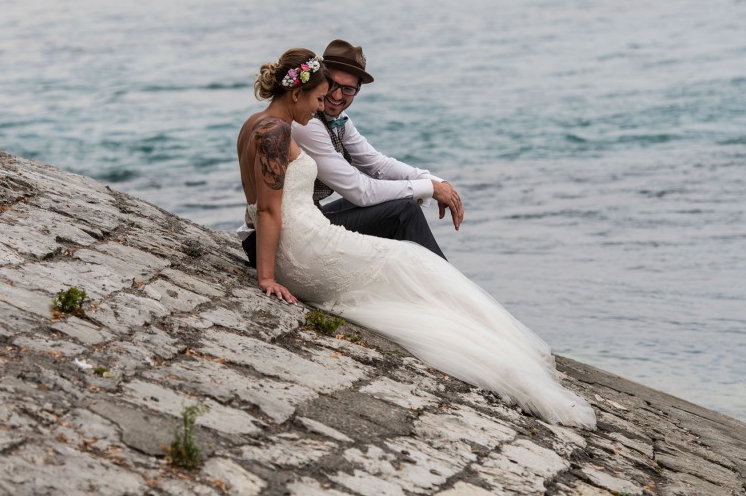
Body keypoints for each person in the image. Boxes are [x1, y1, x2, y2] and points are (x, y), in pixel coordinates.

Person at [236, 48, 596, 429]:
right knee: (415, 263)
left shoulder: (258, 123)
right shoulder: (282, 130)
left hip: (299, 236)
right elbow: (271, 210)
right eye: (320, 97)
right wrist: (267, 278)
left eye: (342, 92)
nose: (324, 104)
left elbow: (374, 163)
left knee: (411, 259)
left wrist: (430, 182)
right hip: (300, 245)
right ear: (296, 94)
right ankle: (474, 323)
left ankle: (463, 310)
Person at [240, 39, 463, 267]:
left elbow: (377, 164)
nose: (337, 96)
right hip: (280, 237)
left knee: (402, 203)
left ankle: (431, 275)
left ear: (357, 90)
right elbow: (360, 191)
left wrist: (434, 182)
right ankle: (446, 280)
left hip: (297, 223)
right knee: (403, 211)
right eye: (333, 86)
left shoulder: (334, 120)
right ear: (321, 80)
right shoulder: (304, 124)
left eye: (348, 89)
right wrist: (429, 188)